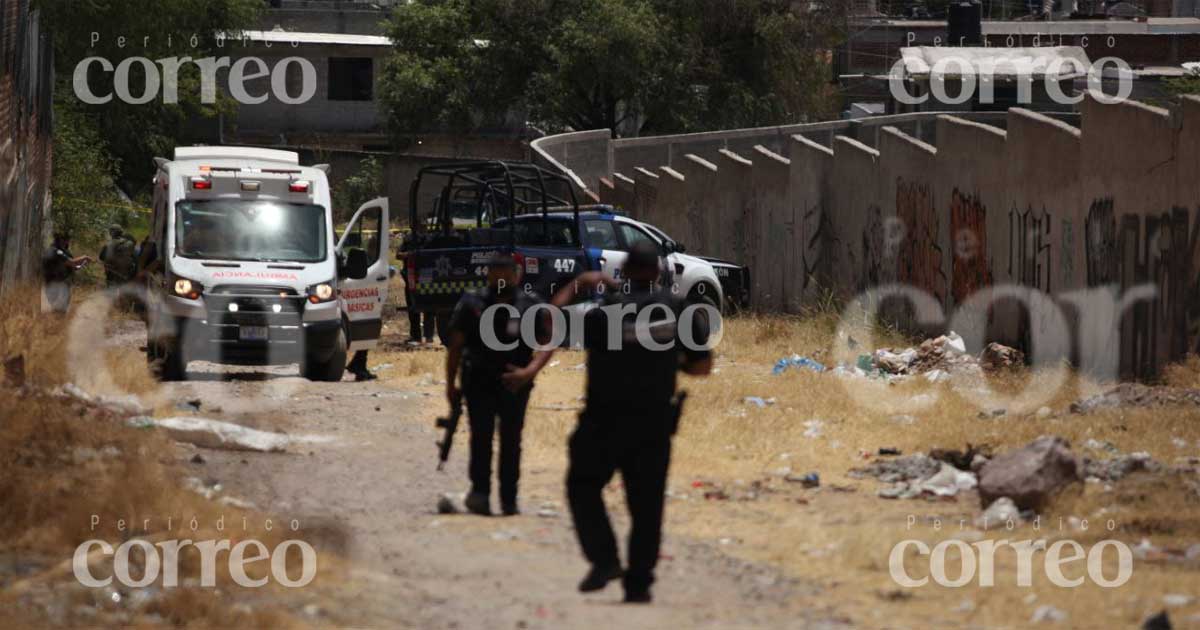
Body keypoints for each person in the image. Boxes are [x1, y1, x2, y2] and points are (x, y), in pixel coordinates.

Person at [551, 240, 714, 604]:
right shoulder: (679, 311)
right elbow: (702, 367)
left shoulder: (601, 313)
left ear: (622, 273)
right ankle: (638, 584)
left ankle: (605, 559)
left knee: (583, 485)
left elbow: (547, 323)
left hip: (602, 421)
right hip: (652, 423)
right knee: (647, 505)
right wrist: (675, 364)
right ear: (658, 273)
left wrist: (579, 285)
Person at [445, 252, 553, 516]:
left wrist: (529, 372)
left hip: (515, 383)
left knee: (511, 440)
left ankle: (509, 499)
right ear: (488, 275)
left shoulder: (530, 305)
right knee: (480, 438)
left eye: (507, 273)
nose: (502, 278)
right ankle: (480, 493)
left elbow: (548, 341)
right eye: (497, 273)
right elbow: (456, 346)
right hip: (478, 380)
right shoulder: (473, 303)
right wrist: (450, 384)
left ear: (517, 275)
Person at [398, 231, 435, 344]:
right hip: (411, 276)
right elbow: (398, 254)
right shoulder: (408, 238)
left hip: (427, 276)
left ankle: (428, 336)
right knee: (413, 306)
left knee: (428, 307)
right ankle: (416, 336)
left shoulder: (431, 238)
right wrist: (410, 255)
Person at [42, 232, 92, 314]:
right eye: (67, 240)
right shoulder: (57, 252)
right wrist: (84, 257)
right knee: (59, 312)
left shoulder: (51, 250)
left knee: (56, 311)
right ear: (61, 240)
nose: (68, 242)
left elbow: (74, 267)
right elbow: (72, 263)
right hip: (58, 286)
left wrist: (82, 264)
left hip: (51, 285)